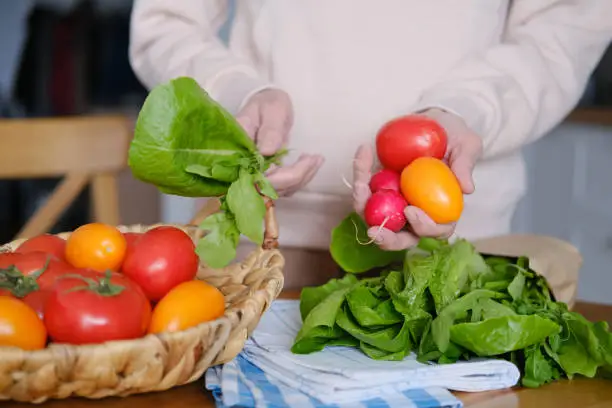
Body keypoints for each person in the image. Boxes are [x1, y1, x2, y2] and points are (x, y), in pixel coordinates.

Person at [129, 1, 612, 288]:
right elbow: (166, 20)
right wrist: (239, 94)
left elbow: (561, 29)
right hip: (264, 242)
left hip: (460, 246)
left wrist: (468, 108)